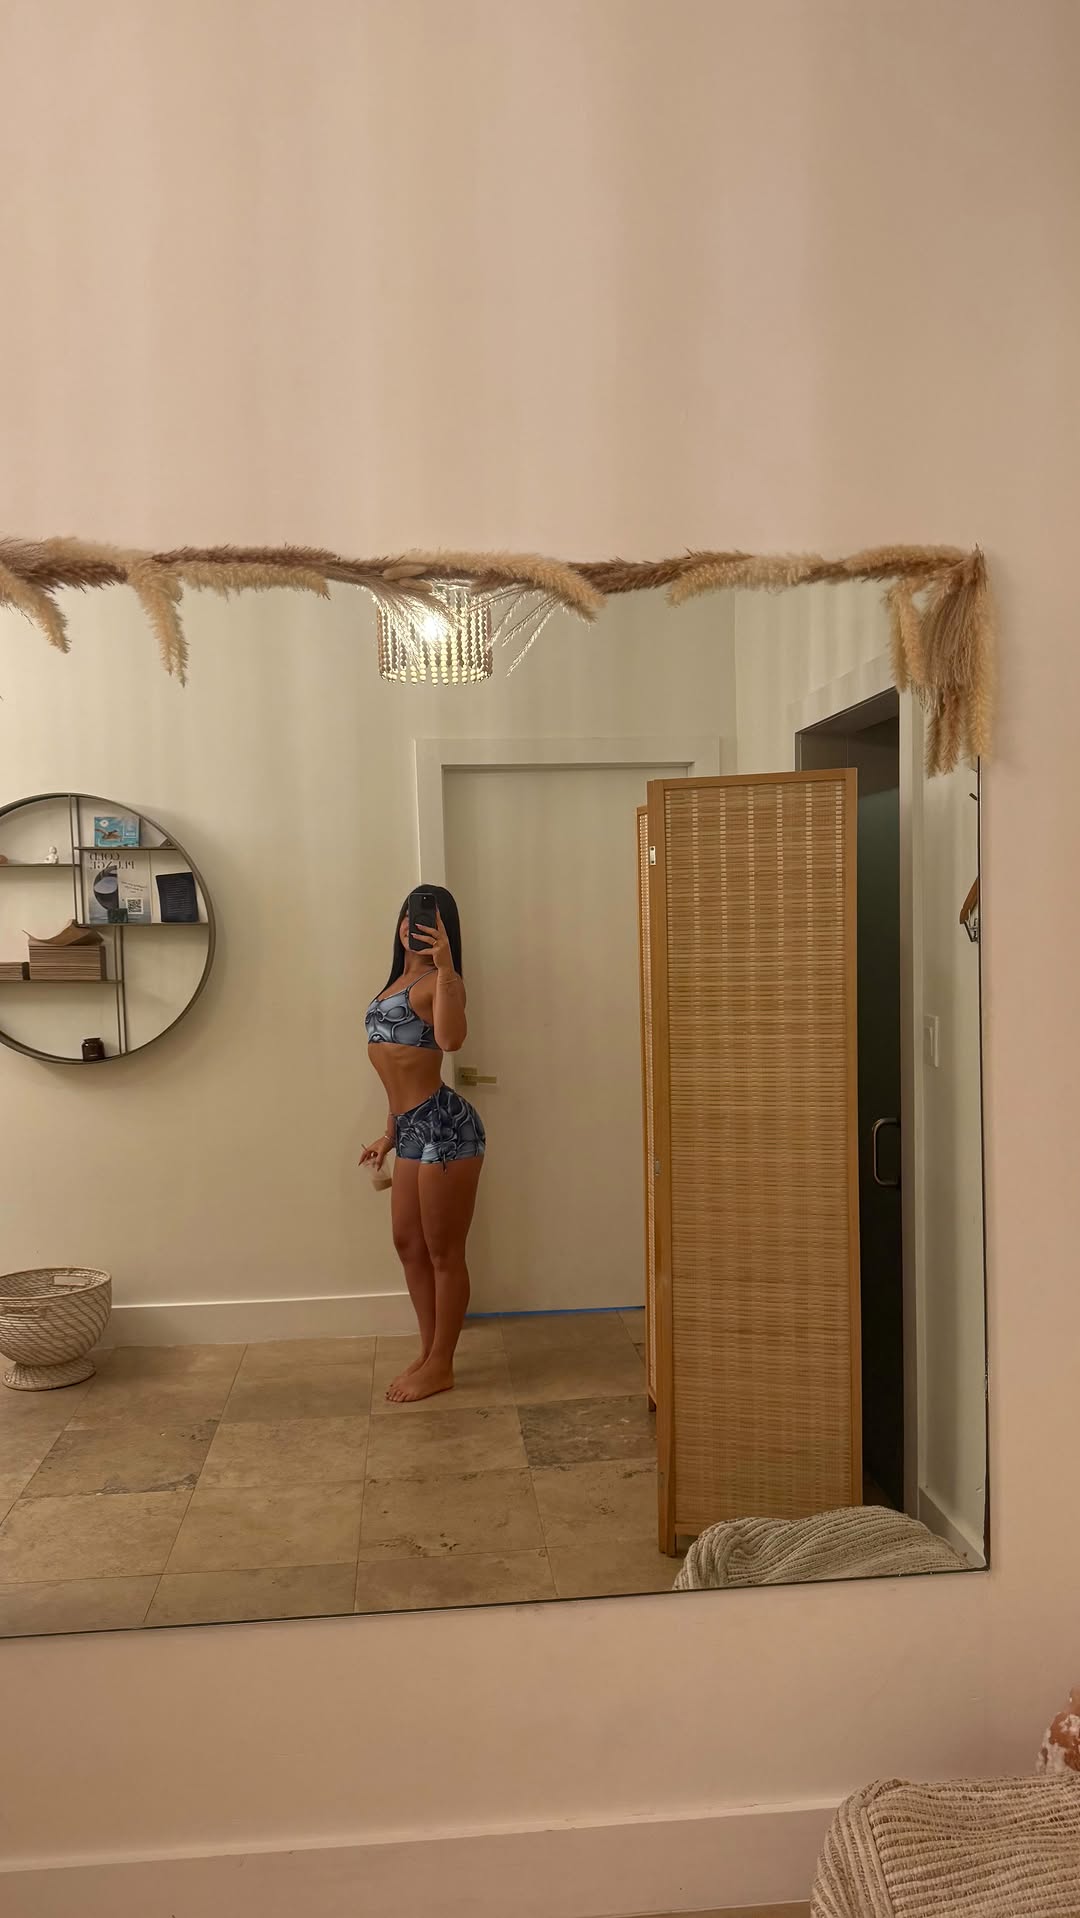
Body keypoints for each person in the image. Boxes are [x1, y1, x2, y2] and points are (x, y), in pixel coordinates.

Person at [358, 886, 485, 1402]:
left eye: (428, 919)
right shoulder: (394, 984)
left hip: (445, 1128)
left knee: (443, 1251)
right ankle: (429, 1351)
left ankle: (442, 1365)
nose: (414, 926)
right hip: (410, 1127)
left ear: (444, 930)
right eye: (409, 916)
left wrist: (447, 967)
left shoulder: (440, 983)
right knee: (408, 1244)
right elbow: (397, 1076)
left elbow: (451, 1041)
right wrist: (388, 1135)